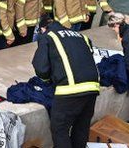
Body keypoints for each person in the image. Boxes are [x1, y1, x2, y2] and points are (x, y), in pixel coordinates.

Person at [32, 17, 100, 148]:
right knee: (81, 127)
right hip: (92, 87)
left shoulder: (47, 36)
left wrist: (47, 80)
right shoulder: (81, 36)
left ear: (43, 28)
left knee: (60, 129)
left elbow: (41, 68)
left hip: (70, 89)